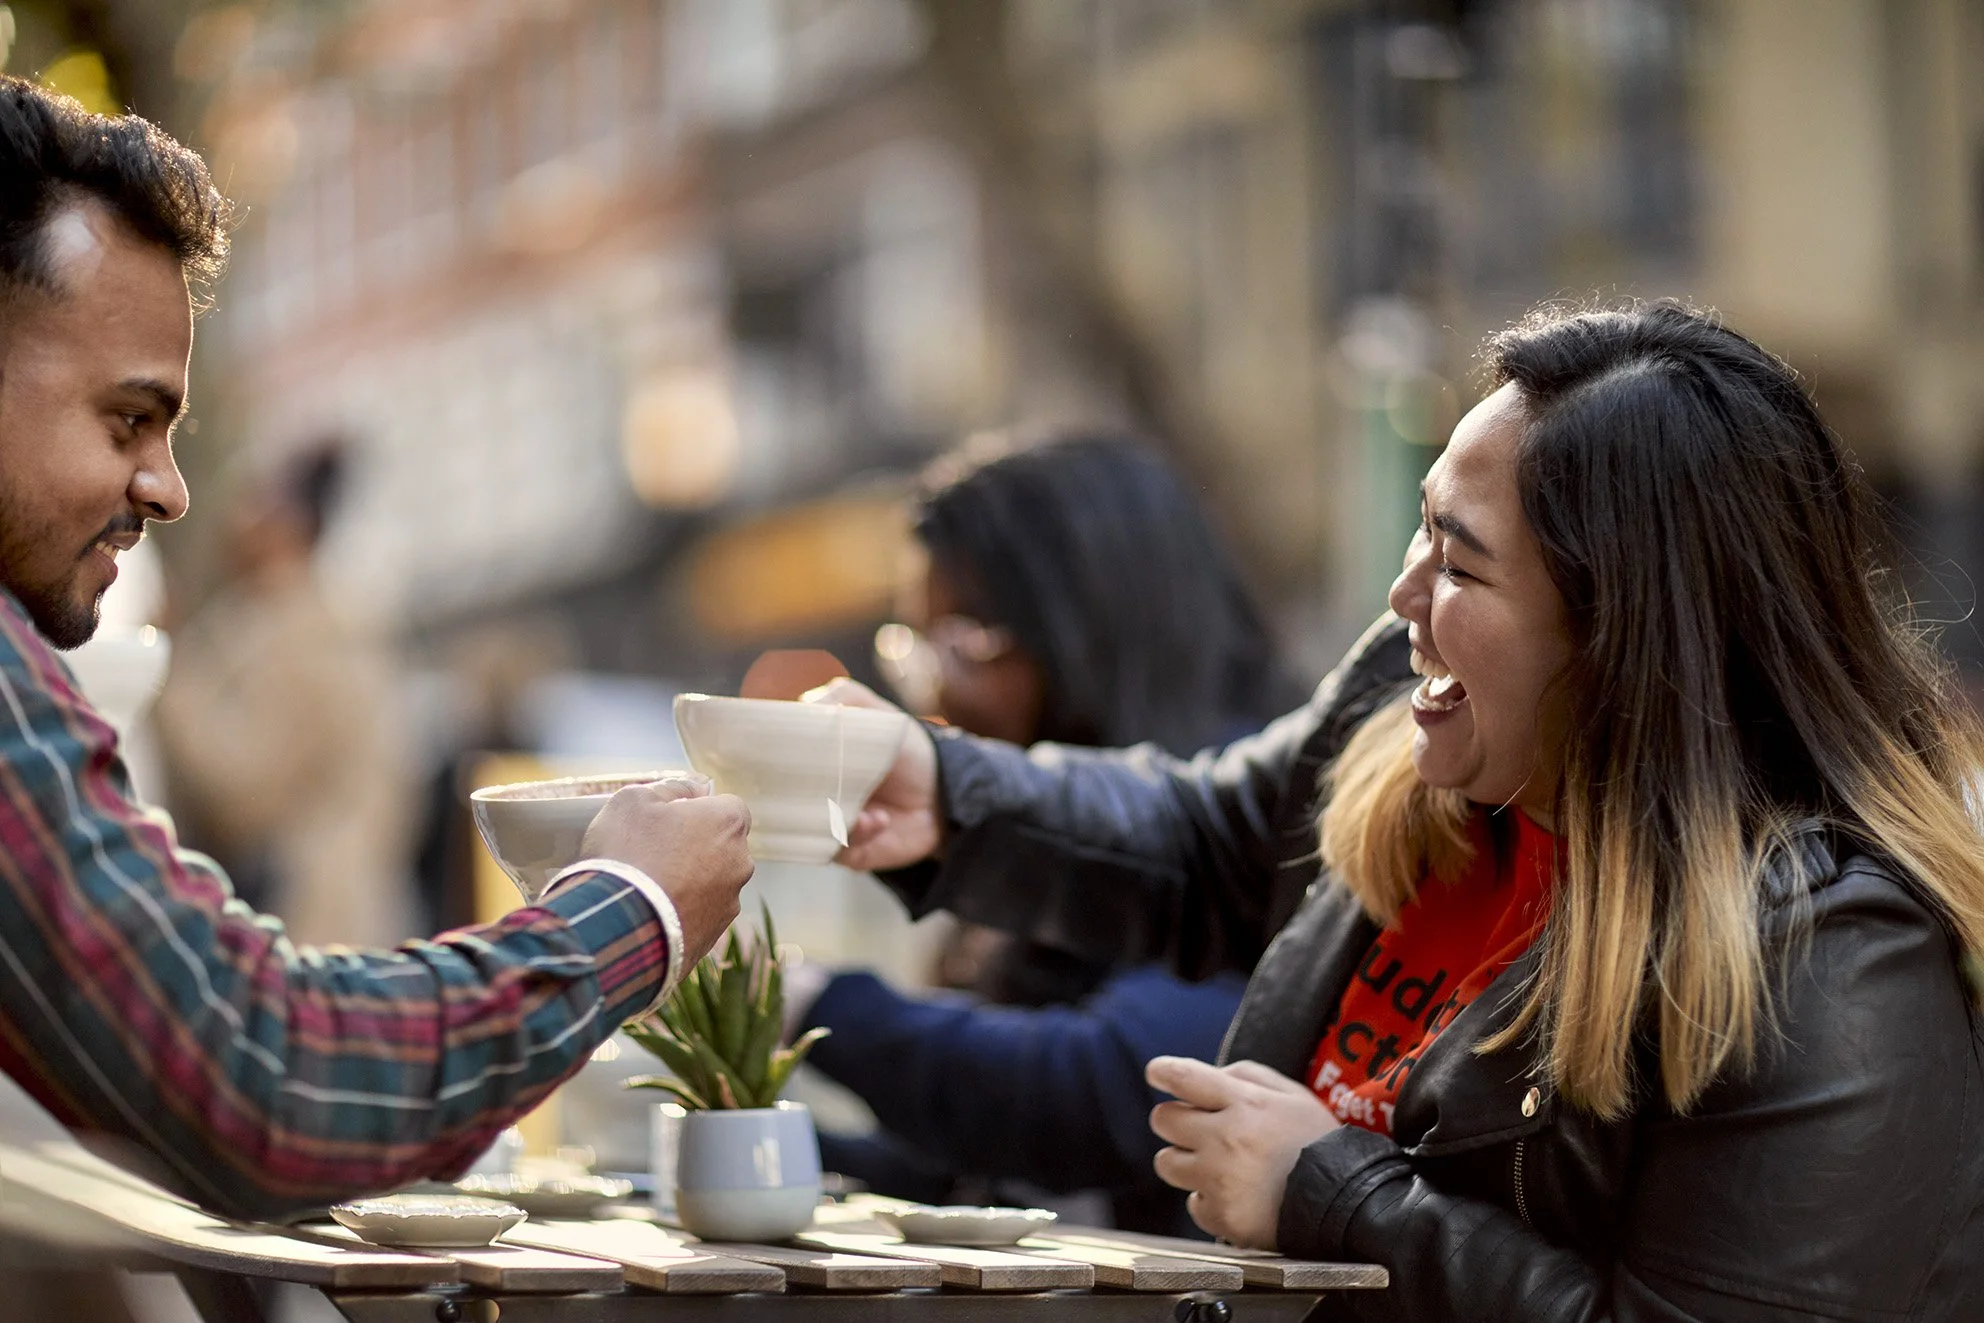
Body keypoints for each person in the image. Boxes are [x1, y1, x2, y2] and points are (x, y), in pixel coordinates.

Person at [812, 301, 1984, 1319]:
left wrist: (1335, 1195)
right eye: (1424, 527)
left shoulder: (1828, 956)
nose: (1403, 594)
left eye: (1462, 567)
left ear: (1623, 637)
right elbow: (1208, 840)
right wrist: (946, 790)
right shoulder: (1413, 729)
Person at [0, 77, 753, 1218]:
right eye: (126, 421)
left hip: (318, 928)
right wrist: (635, 903)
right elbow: (279, 1082)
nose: (172, 490)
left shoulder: (308, 629)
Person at [793, 433, 1302, 1235]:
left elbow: (1112, 1089)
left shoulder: (1247, 820)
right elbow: (977, 1176)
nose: (938, 694)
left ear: (1094, 623)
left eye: (964, 641)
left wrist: (813, 1003)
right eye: (918, 646)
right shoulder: (1033, 838)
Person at [156, 441, 418, 946]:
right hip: (343, 912)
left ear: (288, 522)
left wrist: (169, 674)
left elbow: (244, 789)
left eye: (254, 499)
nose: (236, 517)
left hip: (303, 921)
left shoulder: (297, 634)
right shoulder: (327, 618)